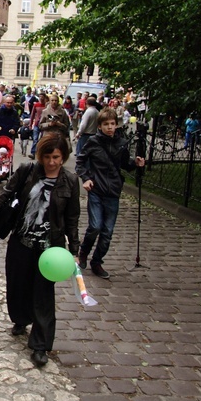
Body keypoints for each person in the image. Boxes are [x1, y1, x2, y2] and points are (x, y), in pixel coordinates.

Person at [0, 132, 80, 367]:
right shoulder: (27, 171)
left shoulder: (70, 181)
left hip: (50, 249)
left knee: (43, 295)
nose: (52, 162)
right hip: (21, 240)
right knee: (18, 284)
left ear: (64, 157)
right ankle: (20, 318)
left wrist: (75, 249)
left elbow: (72, 218)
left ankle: (40, 345)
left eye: (56, 157)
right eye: (47, 156)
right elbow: (6, 196)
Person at [76, 108, 145, 278]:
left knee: (107, 232)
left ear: (116, 125)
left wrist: (136, 163)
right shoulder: (93, 142)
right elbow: (80, 162)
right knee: (95, 226)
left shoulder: (121, 143)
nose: (109, 127)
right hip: (96, 190)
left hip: (113, 191)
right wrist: (86, 178)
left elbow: (124, 164)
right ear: (99, 126)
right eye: (106, 124)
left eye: (112, 124)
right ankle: (83, 252)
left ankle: (97, 262)